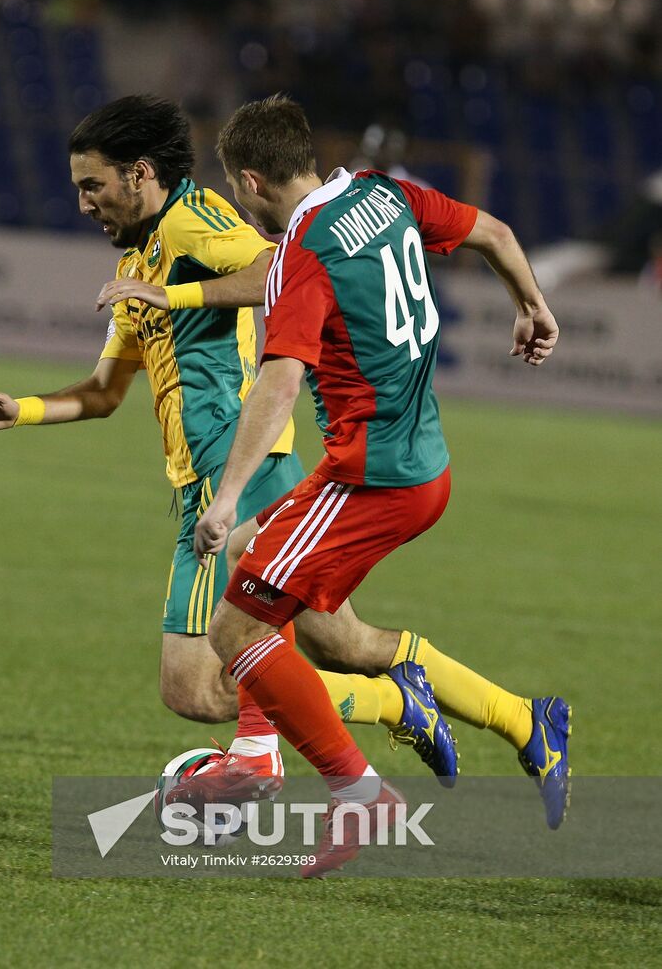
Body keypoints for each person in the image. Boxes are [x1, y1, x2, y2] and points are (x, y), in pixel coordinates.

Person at [0, 96, 563, 826]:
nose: (82, 202)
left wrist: (173, 294)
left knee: (200, 683)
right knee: (347, 644)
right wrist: (16, 409)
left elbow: (277, 266)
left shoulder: (192, 222)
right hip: (207, 484)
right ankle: (518, 719)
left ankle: (331, 741)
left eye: (91, 185)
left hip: (242, 480)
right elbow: (105, 393)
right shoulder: (137, 260)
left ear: (139, 174)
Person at [172, 93, 568, 876]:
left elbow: (280, 383)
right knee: (270, 574)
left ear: (251, 183)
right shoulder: (381, 194)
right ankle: (522, 720)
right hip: (409, 463)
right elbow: (494, 232)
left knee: (235, 632)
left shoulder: (303, 253)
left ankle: (358, 794)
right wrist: (531, 304)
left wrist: (223, 497)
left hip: (370, 481)